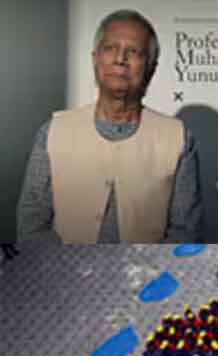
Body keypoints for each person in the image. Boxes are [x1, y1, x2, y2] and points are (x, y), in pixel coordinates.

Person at [17, 9, 202, 244]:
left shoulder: (180, 139)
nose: (120, 59)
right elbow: (32, 226)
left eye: (133, 52)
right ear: (95, 59)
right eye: (110, 48)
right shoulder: (52, 132)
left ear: (151, 67)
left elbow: (185, 233)